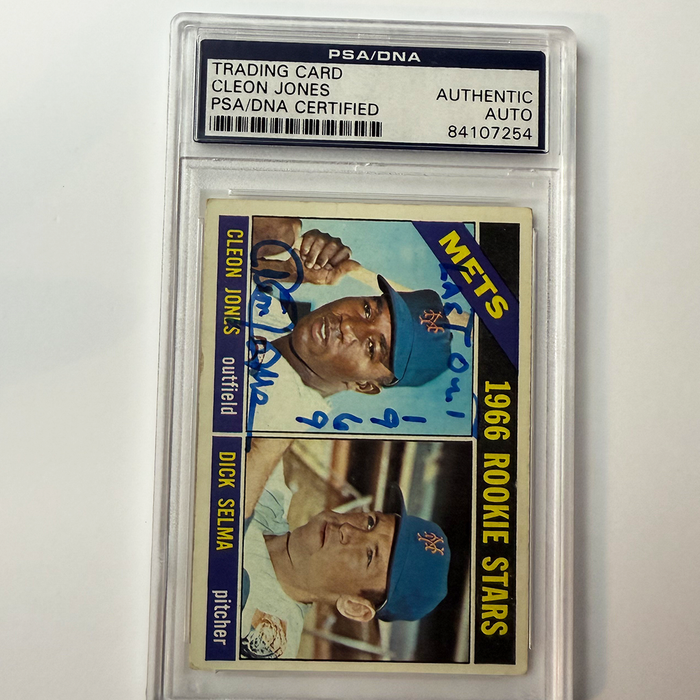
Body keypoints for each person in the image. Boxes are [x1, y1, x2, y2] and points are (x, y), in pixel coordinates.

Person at [248, 217, 455, 432]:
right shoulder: (273, 316)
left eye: (372, 347)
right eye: (368, 310)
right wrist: (283, 269)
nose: (347, 326)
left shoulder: (271, 421)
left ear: (364, 386)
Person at [240, 463, 451, 660]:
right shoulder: (268, 482)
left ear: (354, 606)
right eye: (370, 522)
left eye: (369, 555)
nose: (347, 529)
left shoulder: (263, 642)